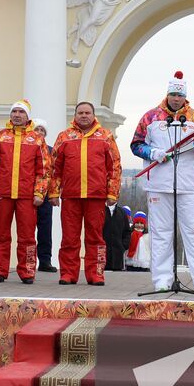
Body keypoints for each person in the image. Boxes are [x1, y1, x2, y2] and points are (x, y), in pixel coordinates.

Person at [130, 71, 194, 296]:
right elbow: (136, 144)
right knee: (161, 233)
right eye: (172, 94)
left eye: (179, 95)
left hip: (188, 185)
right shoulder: (150, 117)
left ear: (185, 96)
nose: (176, 99)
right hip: (159, 184)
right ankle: (162, 279)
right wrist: (153, 152)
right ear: (167, 94)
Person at [50, 101, 122, 285]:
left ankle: (96, 274)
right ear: (75, 115)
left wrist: (112, 193)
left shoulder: (105, 136)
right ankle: (68, 274)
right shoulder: (64, 137)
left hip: (96, 196)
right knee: (69, 238)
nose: (84, 115)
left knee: (95, 238)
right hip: (71, 196)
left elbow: (114, 166)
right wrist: (53, 192)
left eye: (87, 112)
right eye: (80, 112)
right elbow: (55, 167)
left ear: (93, 115)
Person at [0, 99, 48, 283]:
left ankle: (27, 271)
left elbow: (43, 170)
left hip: (27, 196)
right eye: (14, 112)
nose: (17, 115)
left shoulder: (37, 140)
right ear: (10, 115)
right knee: (1, 235)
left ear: (27, 116)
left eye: (21, 112)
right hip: (3, 194)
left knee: (27, 236)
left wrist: (39, 193)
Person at [34, 121, 58, 272]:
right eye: (37, 129)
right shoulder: (26, 147)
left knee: (45, 228)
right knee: (27, 230)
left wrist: (54, 193)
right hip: (27, 193)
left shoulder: (50, 151)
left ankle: (45, 260)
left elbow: (55, 173)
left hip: (46, 194)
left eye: (43, 130)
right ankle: (27, 261)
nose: (40, 132)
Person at [104, 203, 131, 272]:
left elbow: (127, 231)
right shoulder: (100, 211)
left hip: (117, 258)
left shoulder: (122, 213)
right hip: (102, 256)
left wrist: (123, 246)